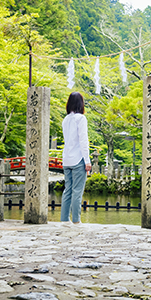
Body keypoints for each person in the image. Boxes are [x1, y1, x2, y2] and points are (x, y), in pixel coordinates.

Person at [60, 92, 91, 225]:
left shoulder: (65, 119)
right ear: (81, 104)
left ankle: (64, 220)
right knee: (77, 191)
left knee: (68, 190)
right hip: (78, 159)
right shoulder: (81, 118)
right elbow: (83, 140)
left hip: (66, 159)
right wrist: (87, 160)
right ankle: (77, 221)